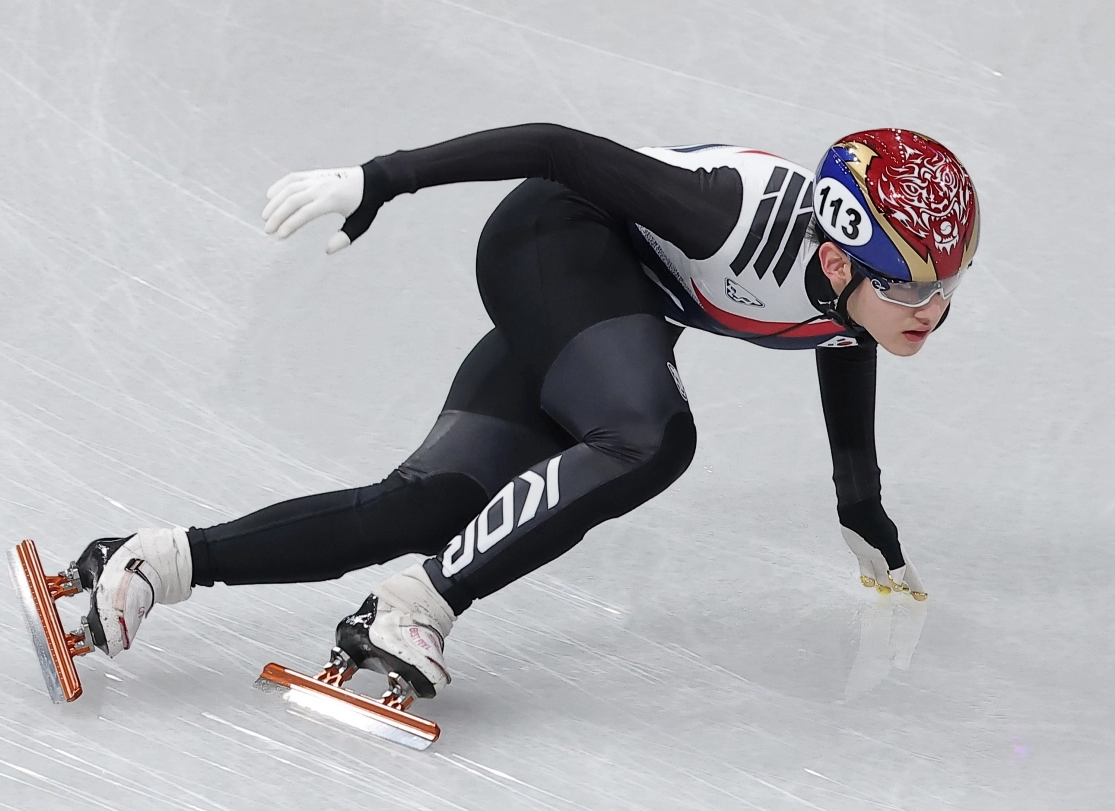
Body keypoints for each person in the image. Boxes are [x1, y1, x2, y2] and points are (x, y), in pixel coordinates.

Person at [70, 124, 980, 700]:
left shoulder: (855, 300)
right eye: (913, 287)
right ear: (836, 263)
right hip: (555, 239)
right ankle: (417, 602)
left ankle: (153, 560)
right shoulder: (729, 218)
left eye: (951, 283)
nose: (933, 311)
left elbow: (844, 344)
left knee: (422, 503)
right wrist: (384, 176)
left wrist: (857, 499)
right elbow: (554, 146)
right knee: (651, 436)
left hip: (614, 304)